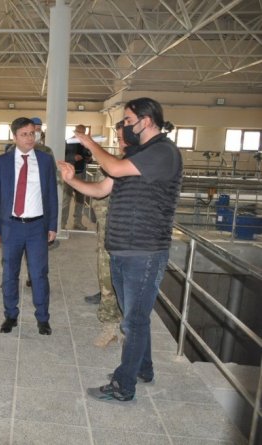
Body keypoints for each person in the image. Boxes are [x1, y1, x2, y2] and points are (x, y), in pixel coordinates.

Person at [57, 97, 181, 403]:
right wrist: (72, 180)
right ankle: (143, 369)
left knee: (133, 321)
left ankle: (123, 386)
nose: (124, 126)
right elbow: (100, 190)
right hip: (122, 249)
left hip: (145, 251)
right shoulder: (136, 155)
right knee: (134, 316)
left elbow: (111, 165)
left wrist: (88, 142)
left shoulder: (163, 151)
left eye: (127, 120)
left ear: (146, 121)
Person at [0, 117, 58, 336]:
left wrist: (53, 225)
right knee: (10, 274)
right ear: (14, 137)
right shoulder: (2, 162)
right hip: (11, 227)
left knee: (39, 274)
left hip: (37, 227)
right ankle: (10, 315)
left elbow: (52, 195)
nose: (29, 138)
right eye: (24, 134)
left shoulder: (45, 160)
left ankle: (43, 318)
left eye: (32, 133)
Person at [85, 121, 126, 348]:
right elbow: (99, 199)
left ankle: (128, 329)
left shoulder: (143, 164)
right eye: (118, 138)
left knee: (131, 287)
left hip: (136, 240)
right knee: (107, 281)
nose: (121, 143)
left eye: (124, 138)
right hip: (109, 237)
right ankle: (109, 327)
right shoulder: (111, 165)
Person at [61, 124, 91, 230]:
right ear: (75, 132)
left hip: (81, 174)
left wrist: (88, 157)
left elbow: (89, 158)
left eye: (83, 133)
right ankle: (62, 224)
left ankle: (77, 222)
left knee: (80, 200)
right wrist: (73, 157)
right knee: (66, 199)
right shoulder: (68, 142)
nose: (81, 134)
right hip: (70, 175)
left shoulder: (85, 144)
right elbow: (61, 157)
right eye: (79, 132)